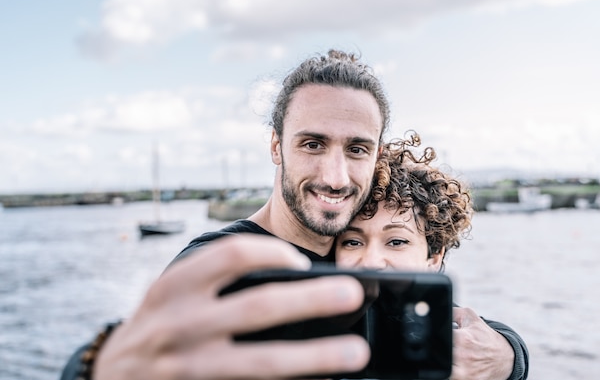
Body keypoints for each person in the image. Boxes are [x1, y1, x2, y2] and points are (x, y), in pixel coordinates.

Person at [61, 50, 525, 380]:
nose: (336, 176)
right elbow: (149, 352)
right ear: (275, 145)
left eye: (357, 149)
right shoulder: (224, 263)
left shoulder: (360, 254)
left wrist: (507, 356)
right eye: (312, 144)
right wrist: (100, 368)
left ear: (375, 155)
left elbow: (461, 334)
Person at [335, 132, 529, 380]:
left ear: (434, 256)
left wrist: (510, 357)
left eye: (396, 241)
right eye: (352, 242)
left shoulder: (442, 332)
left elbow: (493, 337)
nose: (372, 261)